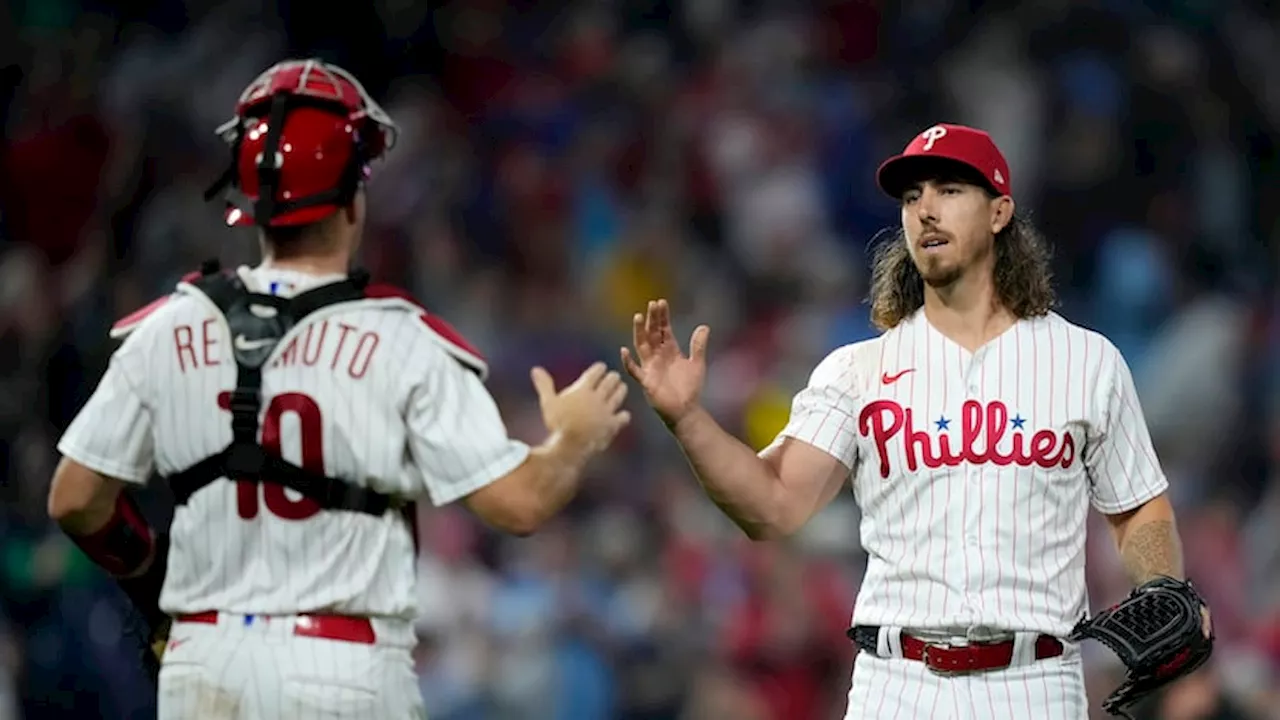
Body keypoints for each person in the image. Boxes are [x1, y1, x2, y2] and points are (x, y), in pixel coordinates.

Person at [46, 58, 630, 720]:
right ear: (354, 201)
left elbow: (75, 500)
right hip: (343, 671)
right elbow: (521, 505)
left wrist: (148, 580)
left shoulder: (169, 328)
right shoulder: (401, 339)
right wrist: (573, 441)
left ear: (249, 203)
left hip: (203, 671)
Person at [622, 123, 1194, 718]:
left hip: (1038, 682)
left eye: (949, 190)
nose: (925, 209)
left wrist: (1161, 583)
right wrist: (687, 419)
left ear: (1000, 212)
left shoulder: (1087, 361)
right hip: (898, 683)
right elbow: (771, 505)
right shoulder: (858, 369)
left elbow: (1138, 507)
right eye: (912, 196)